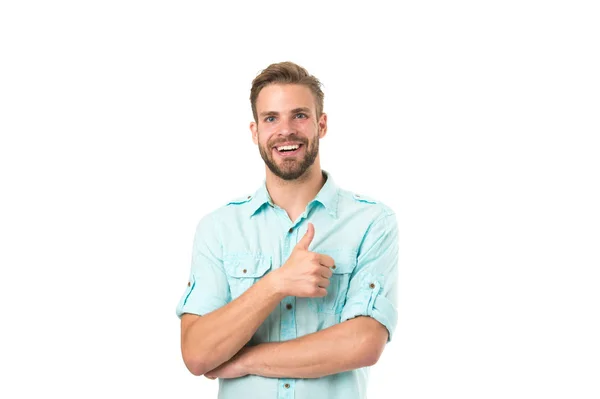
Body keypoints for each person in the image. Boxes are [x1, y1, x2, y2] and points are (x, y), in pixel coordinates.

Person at [175, 61, 399, 399]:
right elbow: (196, 352)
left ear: (321, 124)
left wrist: (243, 360)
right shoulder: (218, 229)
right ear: (255, 132)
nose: (286, 130)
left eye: (300, 115)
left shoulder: (371, 222)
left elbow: (364, 343)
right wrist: (277, 283)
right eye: (271, 118)